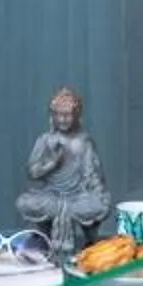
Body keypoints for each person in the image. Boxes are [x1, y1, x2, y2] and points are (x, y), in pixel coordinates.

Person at [16, 86, 110, 255]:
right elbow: (32, 173)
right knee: (25, 202)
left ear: (76, 116)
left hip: (78, 197)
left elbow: (91, 174)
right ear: (52, 116)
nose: (62, 119)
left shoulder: (83, 142)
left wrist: (99, 193)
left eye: (67, 115)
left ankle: (90, 239)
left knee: (97, 204)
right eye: (58, 115)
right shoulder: (45, 140)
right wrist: (51, 164)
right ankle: (43, 235)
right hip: (51, 195)